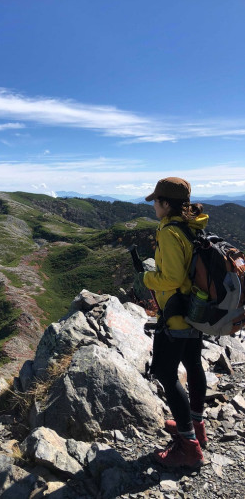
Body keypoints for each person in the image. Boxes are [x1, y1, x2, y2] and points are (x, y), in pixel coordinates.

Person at [138, 177, 209, 469]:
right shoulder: (192, 227)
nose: (154, 205)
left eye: (157, 201)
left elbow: (172, 278)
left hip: (176, 314)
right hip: (196, 308)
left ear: (166, 204)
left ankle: (188, 446)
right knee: (193, 365)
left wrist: (145, 277)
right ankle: (196, 426)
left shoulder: (169, 232)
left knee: (166, 373)